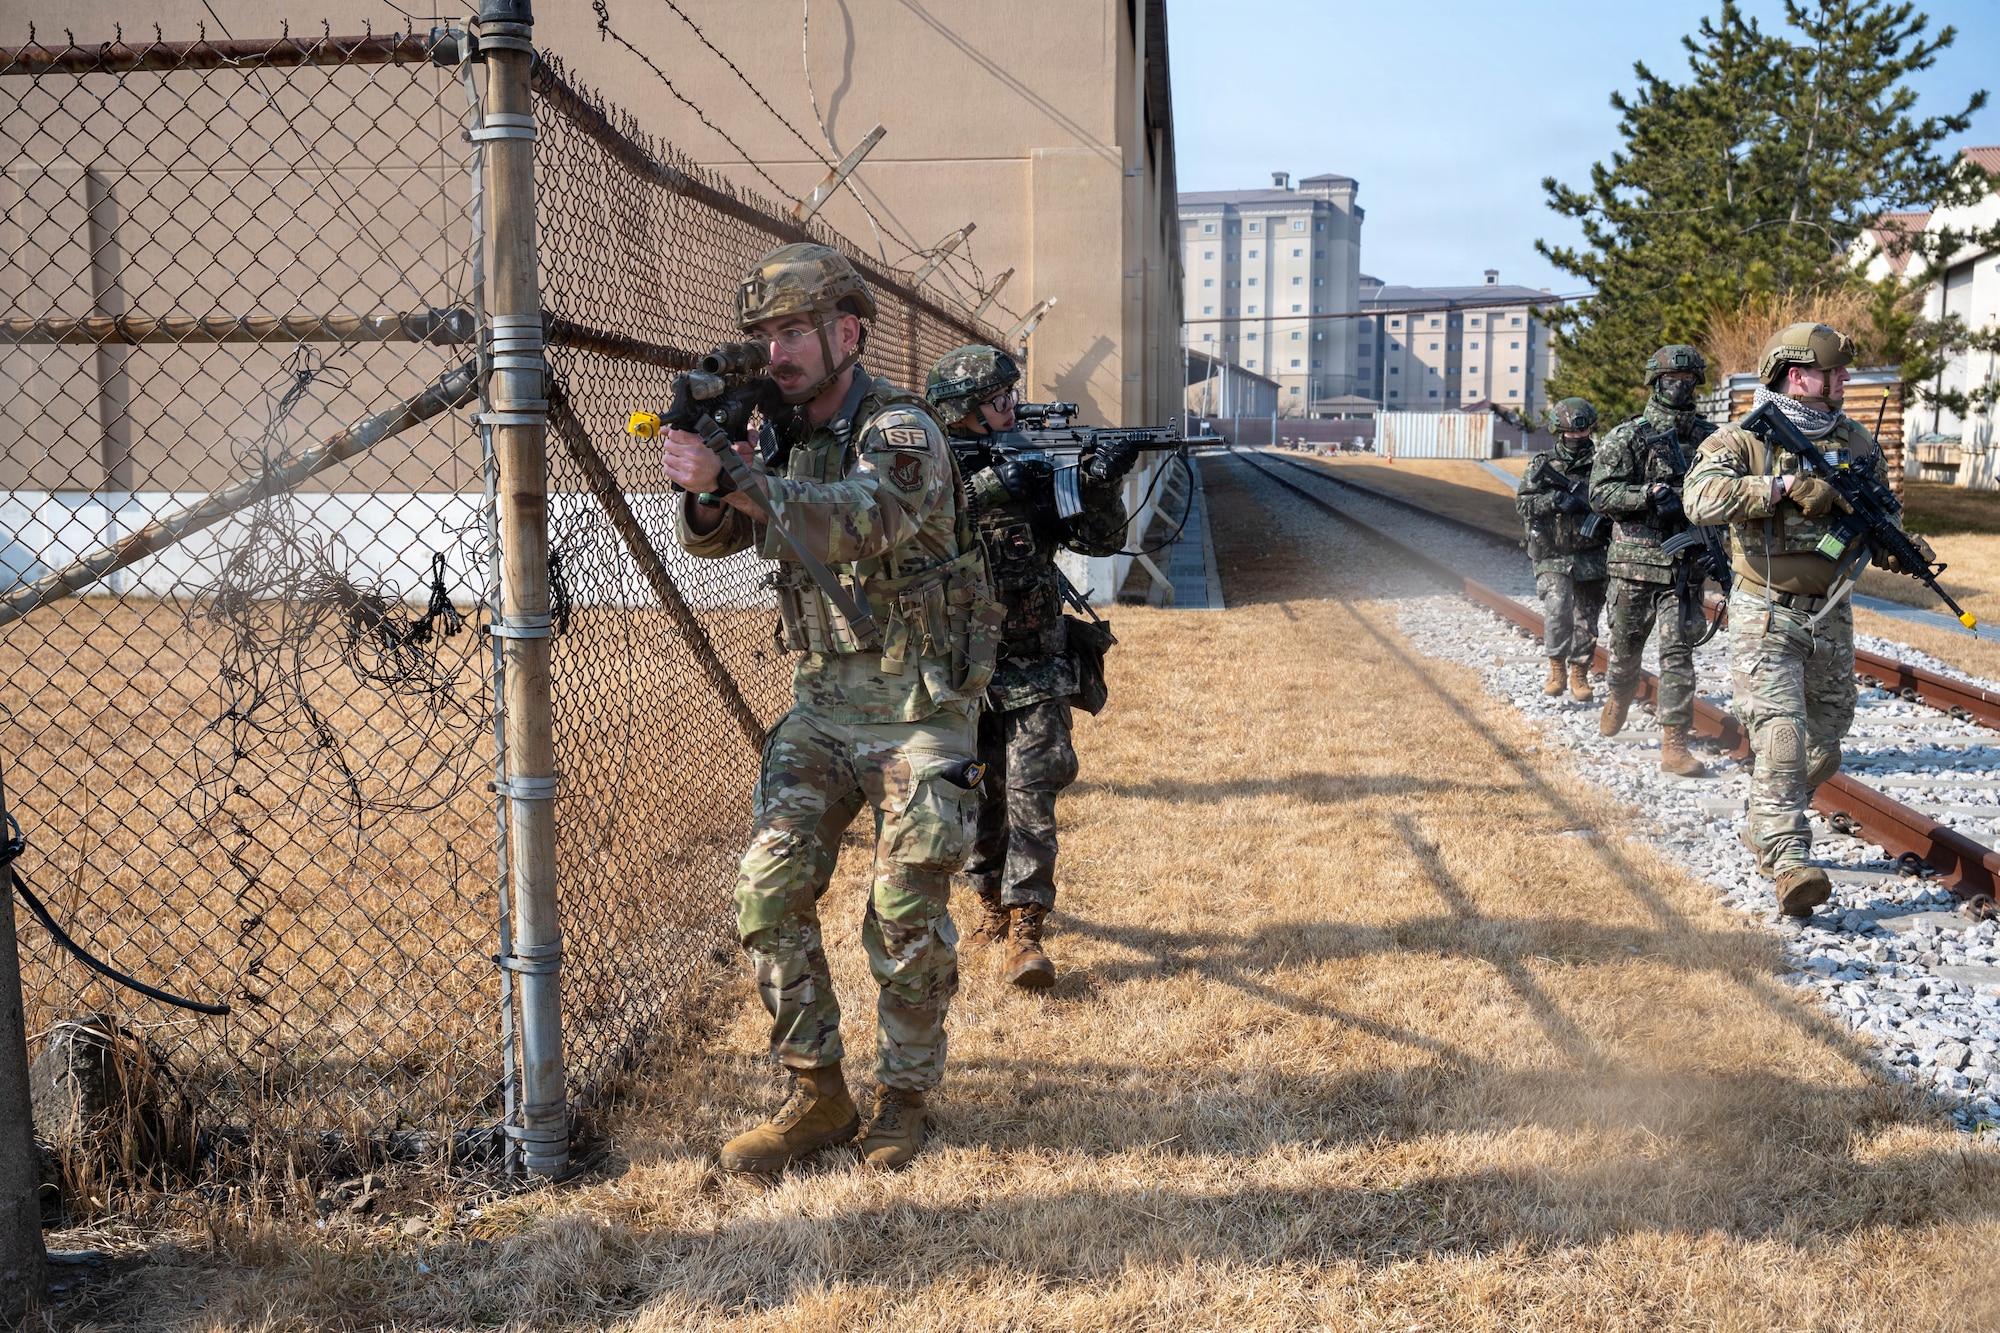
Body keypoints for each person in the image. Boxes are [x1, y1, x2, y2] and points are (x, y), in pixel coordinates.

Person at [667, 242, 1000, 1172]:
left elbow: (863, 518)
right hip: (822, 702)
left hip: (916, 704)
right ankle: (817, 1093)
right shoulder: (782, 435)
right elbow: (716, 539)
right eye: (765, 335)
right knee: (766, 890)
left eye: (793, 331)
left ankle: (904, 1098)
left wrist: (737, 479)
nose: (776, 352)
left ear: (847, 332)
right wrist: (711, 490)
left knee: (902, 907)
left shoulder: (899, 429)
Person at [1684, 321, 1932, 918]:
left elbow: (1880, 515)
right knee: (1782, 735)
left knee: (1825, 743)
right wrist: (1784, 486)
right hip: (1765, 609)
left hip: (1830, 613)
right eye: (1834, 370)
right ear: (1797, 376)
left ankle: (1763, 820)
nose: (1844, 378)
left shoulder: (1856, 441)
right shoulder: (1742, 439)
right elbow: (1699, 500)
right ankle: (1790, 860)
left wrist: (1899, 547)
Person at [924, 345, 1137, 989]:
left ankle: (1027, 929)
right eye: (999, 400)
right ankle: (989, 901)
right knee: (975, 790)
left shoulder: (1033, 466)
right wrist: (991, 487)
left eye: (1011, 396)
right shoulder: (923, 470)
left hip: (1035, 661)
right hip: (958, 669)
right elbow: (910, 531)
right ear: (964, 412)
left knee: (1032, 786)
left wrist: (1100, 484)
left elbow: (1101, 540)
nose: (1012, 408)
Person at [1588, 345, 1718, 777]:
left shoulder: (1711, 439)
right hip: (1634, 565)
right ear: (1655, 383)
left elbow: (1727, 493)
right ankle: (1619, 694)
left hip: (1683, 567)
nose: (1680, 388)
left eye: (1688, 381)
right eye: (1670, 381)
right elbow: (1599, 494)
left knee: (1678, 655)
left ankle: (1674, 742)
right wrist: (1647, 495)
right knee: (1625, 649)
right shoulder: (1629, 436)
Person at [1515, 397, 1609, 703]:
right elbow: (1523, 503)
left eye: (1582, 432)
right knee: (1558, 609)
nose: (1576, 437)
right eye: (1570, 432)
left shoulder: (1604, 463)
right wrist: (1553, 501)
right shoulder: (1544, 464)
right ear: (1559, 431)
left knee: (1587, 619)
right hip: (1553, 553)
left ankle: (1579, 672)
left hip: (1592, 555)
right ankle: (1556, 668)